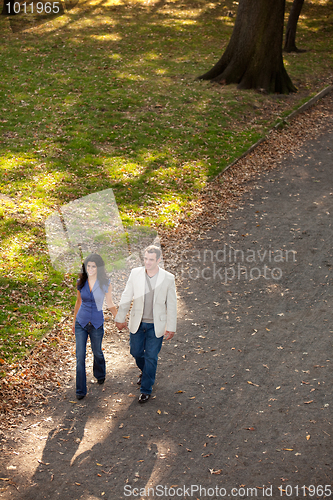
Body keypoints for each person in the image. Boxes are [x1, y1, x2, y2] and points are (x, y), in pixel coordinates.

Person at [115, 245, 177, 403]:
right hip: (137, 323)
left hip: (156, 325)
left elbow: (172, 304)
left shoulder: (168, 278)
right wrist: (120, 317)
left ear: (159, 259)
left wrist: (171, 327)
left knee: (151, 356)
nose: (148, 262)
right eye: (145, 259)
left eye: (151, 260)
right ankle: (146, 371)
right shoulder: (135, 274)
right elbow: (126, 295)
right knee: (136, 352)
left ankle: (146, 389)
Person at [72, 253, 117, 400]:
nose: (90, 269)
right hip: (81, 323)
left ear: (99, 268)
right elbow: (78, 303)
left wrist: (119, 318)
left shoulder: (105, 283)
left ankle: (100, 373)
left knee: (97, 351)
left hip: (97, 323)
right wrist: (74, 323)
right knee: (80, 356)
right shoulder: (81, 282)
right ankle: (80, 390)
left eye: (93, 266)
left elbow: (109, 303)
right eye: (88, 266)